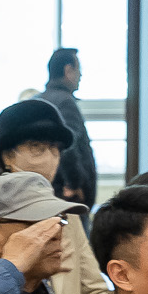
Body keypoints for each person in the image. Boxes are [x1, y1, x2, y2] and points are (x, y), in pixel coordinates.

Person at [0, 98, 108, 294]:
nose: (50, 159)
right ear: (7, 156)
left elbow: (93, 289)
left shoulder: (67, 214)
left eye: (55, 149)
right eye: (37, 148)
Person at [34, 47, 99, 203]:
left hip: (48, 188)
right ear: (68, 70)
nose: (81, 75)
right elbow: (68, 144)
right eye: (79, 69)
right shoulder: (65, 102)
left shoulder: (39, 99)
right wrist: (74, 183)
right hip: (67, 194)